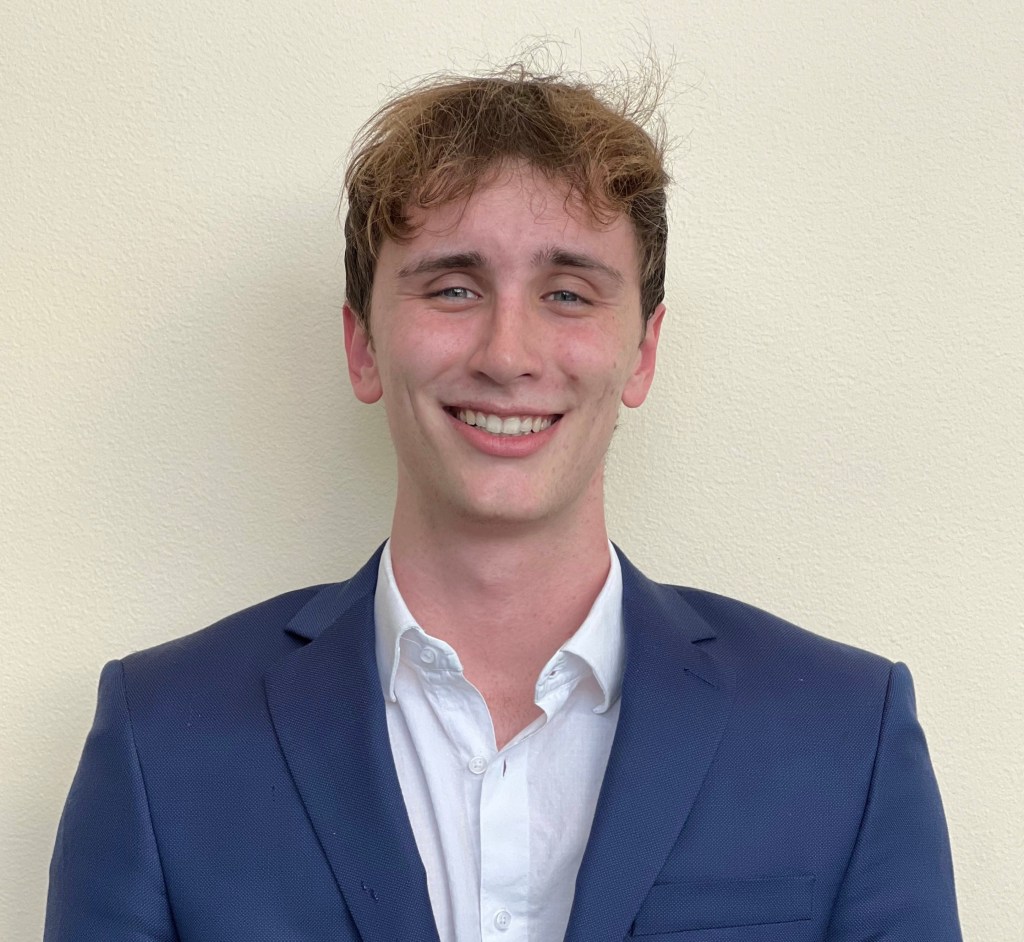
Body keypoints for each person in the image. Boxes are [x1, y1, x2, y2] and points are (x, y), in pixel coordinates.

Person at [45, 65, 962, 941]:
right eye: (453, 287)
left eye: (568, 293)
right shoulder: (162, 738)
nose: (507, 354)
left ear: (643, 353)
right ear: (363, 348)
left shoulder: (846, 733)